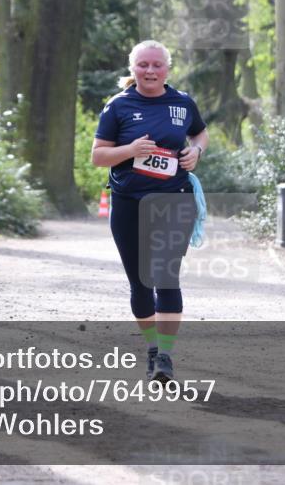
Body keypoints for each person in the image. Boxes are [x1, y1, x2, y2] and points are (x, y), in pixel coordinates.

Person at [91, 40, 208, 383]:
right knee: (141, 284)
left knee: (165, 277)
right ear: (133, 68)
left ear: (167, 69)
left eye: (157, 65)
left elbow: (200, 133)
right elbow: (98, 156)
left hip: (174, 200)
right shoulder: (118, 106)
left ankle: (166, 358)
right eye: (143, 65)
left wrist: (196, 151)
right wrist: (130, 149)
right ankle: (153, 348)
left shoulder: (182, 102)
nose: (150, 71)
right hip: (128, 203)